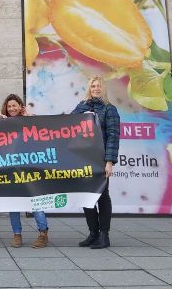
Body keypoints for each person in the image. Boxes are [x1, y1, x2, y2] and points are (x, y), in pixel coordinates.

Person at [70, 75, 120, 249]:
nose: (96, 88)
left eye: (99, 86)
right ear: (89, 89)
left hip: (100, 159)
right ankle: (93, 233)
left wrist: (109, 162)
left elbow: (113, 136)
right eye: (93, 86)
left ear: (103, 88)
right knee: (86, 197)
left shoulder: (109, 109)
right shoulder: (81, 107)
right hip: (83, 159)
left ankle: (104, 236)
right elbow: (66, 126)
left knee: (102, 196)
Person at [0, 94, 49, 249]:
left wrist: (30, 121)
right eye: (9, 106)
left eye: (14, 105)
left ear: (21, 106)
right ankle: (17, 234)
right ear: (6, 109)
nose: (12, 108)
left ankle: (43, 233)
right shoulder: (2, 123)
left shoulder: (31, 120)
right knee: (14, 203)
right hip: (12, 169)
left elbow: (41, 137)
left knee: (35, 201)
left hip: (30, 169)